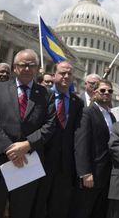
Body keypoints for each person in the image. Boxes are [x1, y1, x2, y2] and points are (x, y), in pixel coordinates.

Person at [0, 49, 56, 218]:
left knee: (21, 211)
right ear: (15, 67)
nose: (27, 68)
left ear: (37, 69)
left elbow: (50, 126)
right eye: (23, 65)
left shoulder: (46, 95)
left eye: (32, 65)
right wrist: (10, 148)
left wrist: (27, 145)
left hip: (28, 163)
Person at [33, 61, 84, 218]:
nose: (66, 76)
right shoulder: (41, 96)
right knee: (37, 206)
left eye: (69, 74)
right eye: (62, 73)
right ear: (54, 75)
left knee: (59, 207)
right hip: (41, 160)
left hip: (65, 165)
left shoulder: (77, 102)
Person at [73, 79, 115, 218]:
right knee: (83, 211)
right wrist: (85, 173)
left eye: (110, 91)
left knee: (99, 212)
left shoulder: (112, 116)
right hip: (91, 175)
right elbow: (81, 144)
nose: (106, 93)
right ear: (95, 92)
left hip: (107, 175)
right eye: (103, 90)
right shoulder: (87, 112)